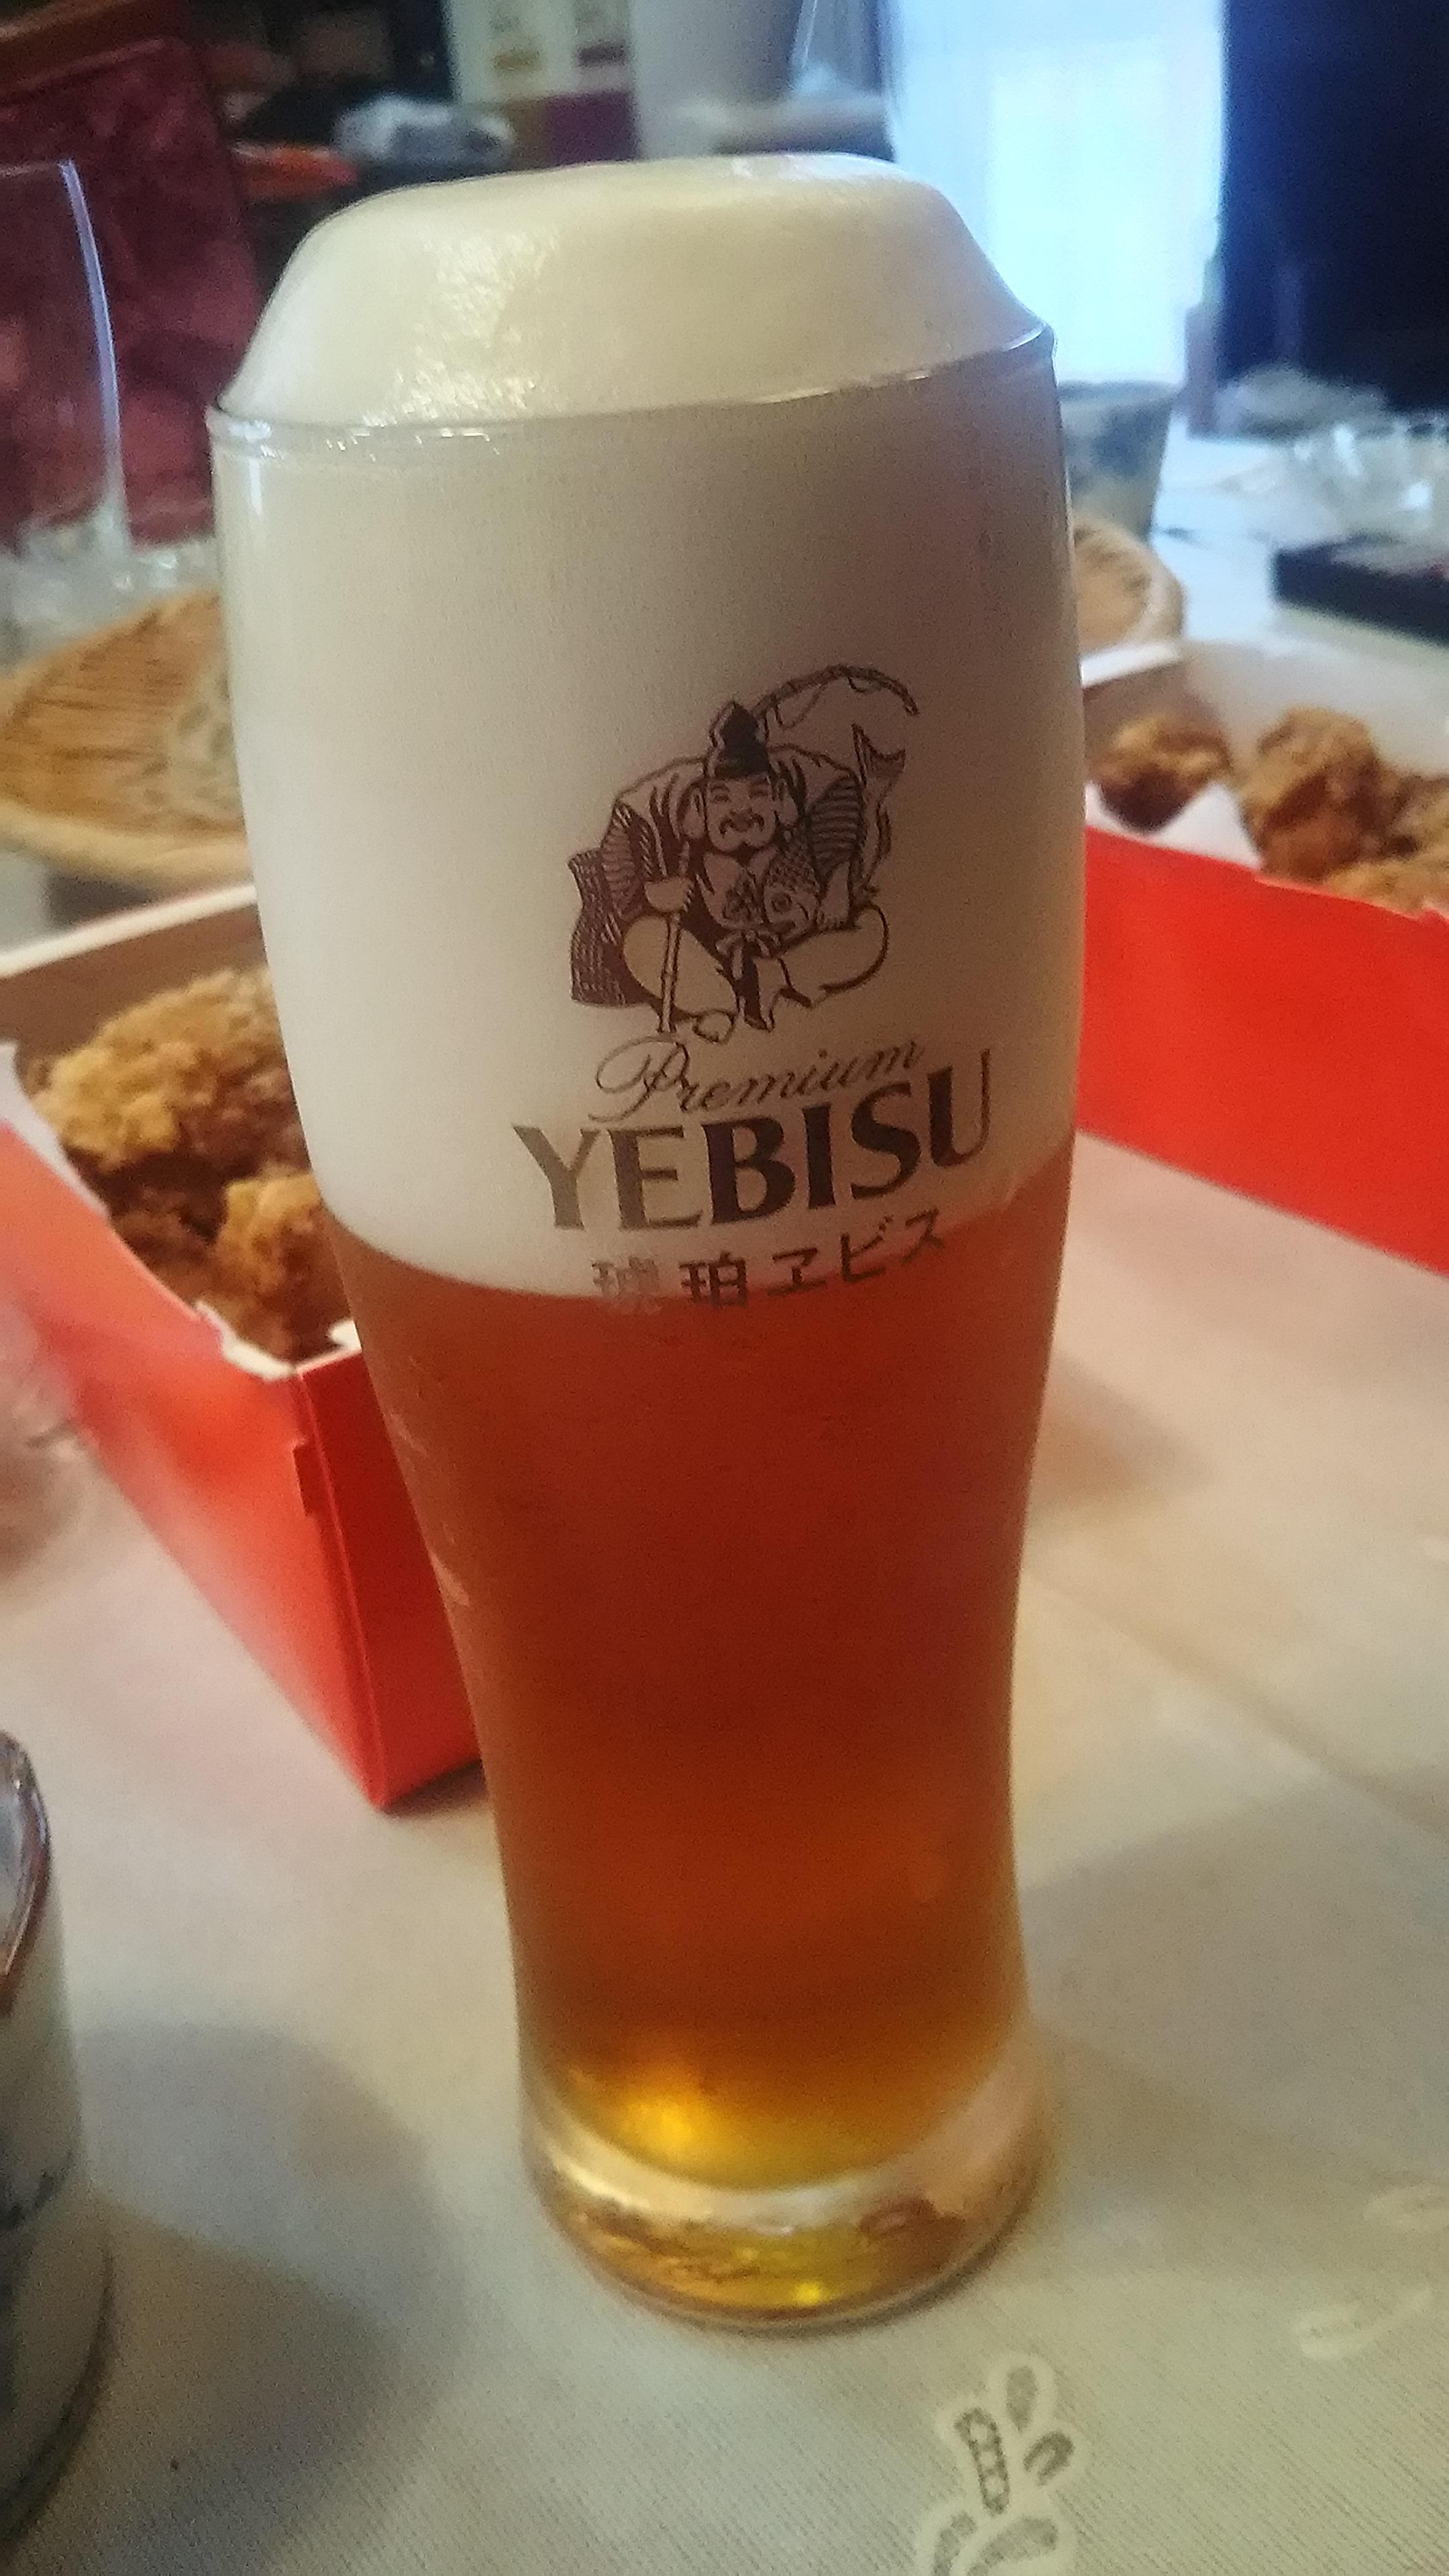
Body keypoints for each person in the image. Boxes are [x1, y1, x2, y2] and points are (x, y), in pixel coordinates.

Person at [571, 700, 898, 1040]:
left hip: (788, 953)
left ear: (780, 799)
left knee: (870, 928)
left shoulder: (798, 854)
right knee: (643, 941)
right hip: (710, 965)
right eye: (722, 798)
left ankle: (774, 979)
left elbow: (841, 799)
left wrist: (837, 879)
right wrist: (649, 895)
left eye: (757, 794)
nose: (741, 810)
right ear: (699, 809)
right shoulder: (688, 853)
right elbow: (625, 832)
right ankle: (722, 1004)